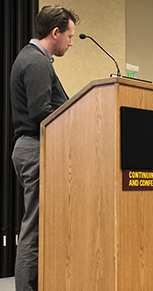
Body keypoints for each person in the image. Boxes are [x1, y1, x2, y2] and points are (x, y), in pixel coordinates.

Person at [10, 5, 79, 290]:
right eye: (70, 36)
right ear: (55, 32)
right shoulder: (37, 62)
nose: (71, 42)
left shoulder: (33, 58)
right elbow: (42, 112)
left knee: (40, 225)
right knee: (35, 227)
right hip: (36, 149)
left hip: (36, 149)